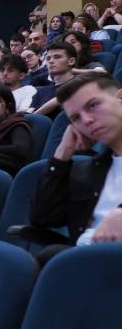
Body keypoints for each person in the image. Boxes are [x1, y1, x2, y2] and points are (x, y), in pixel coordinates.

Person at [29, 73, 122, 259]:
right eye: (76, 118)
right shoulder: (87, 171)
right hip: (86, 263)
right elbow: (44, 218)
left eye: (93, 106)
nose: (86, 120)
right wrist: (62, 154)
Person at [31, 41, 78, 118]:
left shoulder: (82, 84)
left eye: (57, 57)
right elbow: (32, 119)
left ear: (71, 61)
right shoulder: (41, 92)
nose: (51, 61)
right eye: (48, 58)